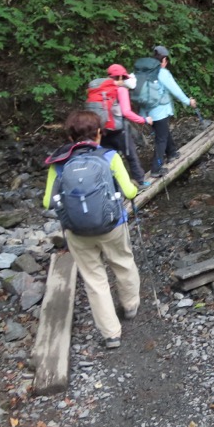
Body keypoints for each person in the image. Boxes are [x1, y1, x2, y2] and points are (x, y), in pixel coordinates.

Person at [42, 110, 140, 349]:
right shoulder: (109, 156)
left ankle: (111, 334)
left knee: (94, 279)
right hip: (111, 225)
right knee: (123, 262)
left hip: (76, 231)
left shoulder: (59, 162)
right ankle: (129, 306)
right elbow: (129, 192)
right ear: (98, 133)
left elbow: (47, 202)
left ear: (71, 136)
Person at [141, 46, 198, 177]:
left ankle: (172, 152)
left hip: (149, 113)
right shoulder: (162, 73)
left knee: (163, 133)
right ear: (164, 60)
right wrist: (188, 102)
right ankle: (156, 168)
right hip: (159, 112)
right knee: (161, 139)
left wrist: (143, 115)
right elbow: (175, 90)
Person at [101, 64, 153, 187]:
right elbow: (126, 112)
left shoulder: (101, 89)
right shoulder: (121, 90)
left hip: (103, 130)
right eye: (123, 77)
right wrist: (144, 120)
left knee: (108, 159)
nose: (124, 80)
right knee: (131, 155)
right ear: (118, 77)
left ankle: (112, 187)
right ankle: (140, 182)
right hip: (119, 131)